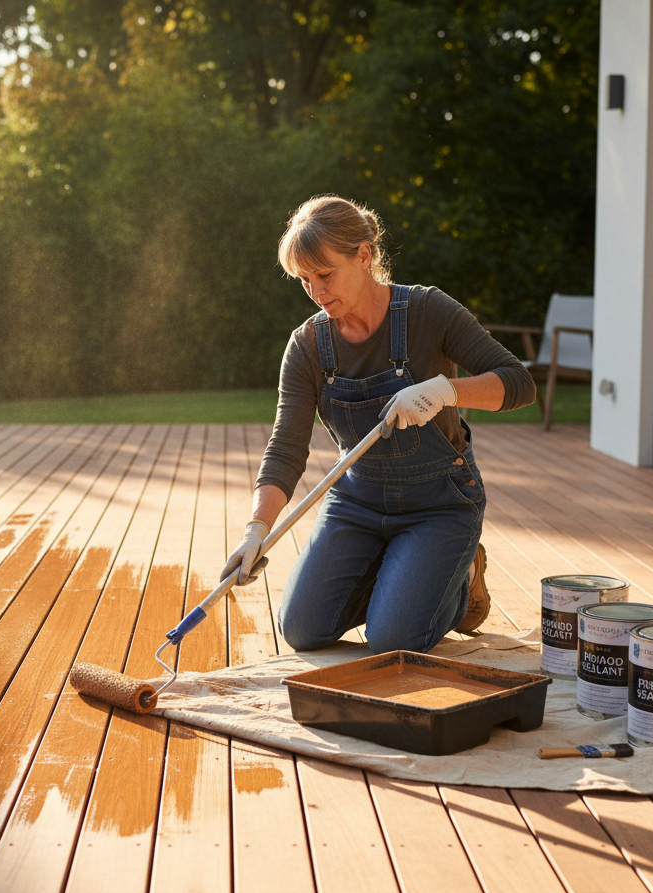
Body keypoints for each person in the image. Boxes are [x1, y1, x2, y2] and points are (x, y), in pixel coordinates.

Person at [221, 195, 536, 653]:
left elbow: (519, 382)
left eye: (324, 275)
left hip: (439, 504)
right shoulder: (308, 345)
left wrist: (446, 390)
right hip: (358, 501)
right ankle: (405, 574)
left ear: (364, 255)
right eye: (305, 280)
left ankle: (462, 576)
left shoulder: (429, 311)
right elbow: (286, 447)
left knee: (393, 641)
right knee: (302, 629)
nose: (316, 291)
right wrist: (256, 530)